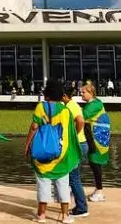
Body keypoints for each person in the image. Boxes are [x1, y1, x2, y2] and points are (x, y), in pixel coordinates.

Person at [25, 80, 80, 224]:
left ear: (47, 95)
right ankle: (65, 215)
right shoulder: (65, 111)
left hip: (41, 153)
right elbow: (69, 133)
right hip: (60, 155)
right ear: (61, 96)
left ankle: (41, 215)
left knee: (43, 184)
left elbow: (34, 126)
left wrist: (27, 145)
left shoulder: (40, 107)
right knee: (63, 184)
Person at [81, 82, 110, 203]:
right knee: (94, 163)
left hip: (97, 139)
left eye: (83, 92)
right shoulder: (92, 104)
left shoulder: (95, 105)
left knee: (95, 163)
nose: (81, 94)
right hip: (94, 137)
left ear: (91, 93)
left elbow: (82, 116)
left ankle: (99, 191)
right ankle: (98, 189)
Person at [62, 86, 89, 217]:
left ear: (64, 96)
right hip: (81, 144)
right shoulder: (72, 105)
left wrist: (75, 135)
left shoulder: (70, 107)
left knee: (74, 178)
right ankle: (79, 205)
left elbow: (80, 121)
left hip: (77, 144)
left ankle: (82, 208)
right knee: (73, 177)